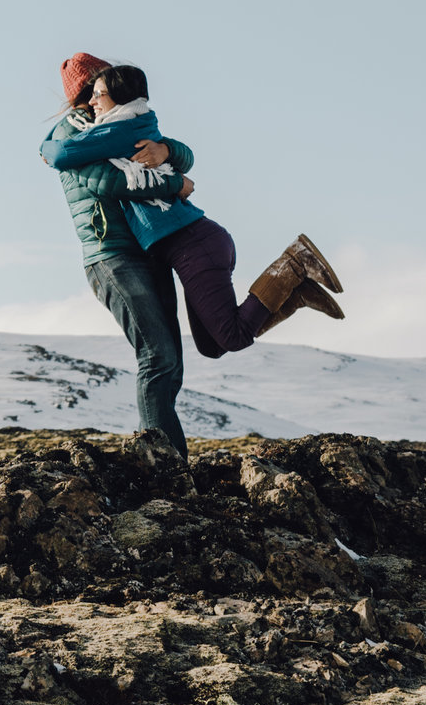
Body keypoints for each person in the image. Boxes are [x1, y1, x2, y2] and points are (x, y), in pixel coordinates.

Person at [39, 53, 344, 458]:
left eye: (106, 86)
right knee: (161, 357)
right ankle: (166, 467)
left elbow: (171, 146)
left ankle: (169, 466)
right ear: (85, 91)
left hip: (152, 252)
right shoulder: (74, 134)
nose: (101, 93)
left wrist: (167, 153)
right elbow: (104, 181)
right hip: (112, 253)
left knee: (174, 359)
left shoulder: (119, 121)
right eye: (96, 86)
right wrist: (174, 183)